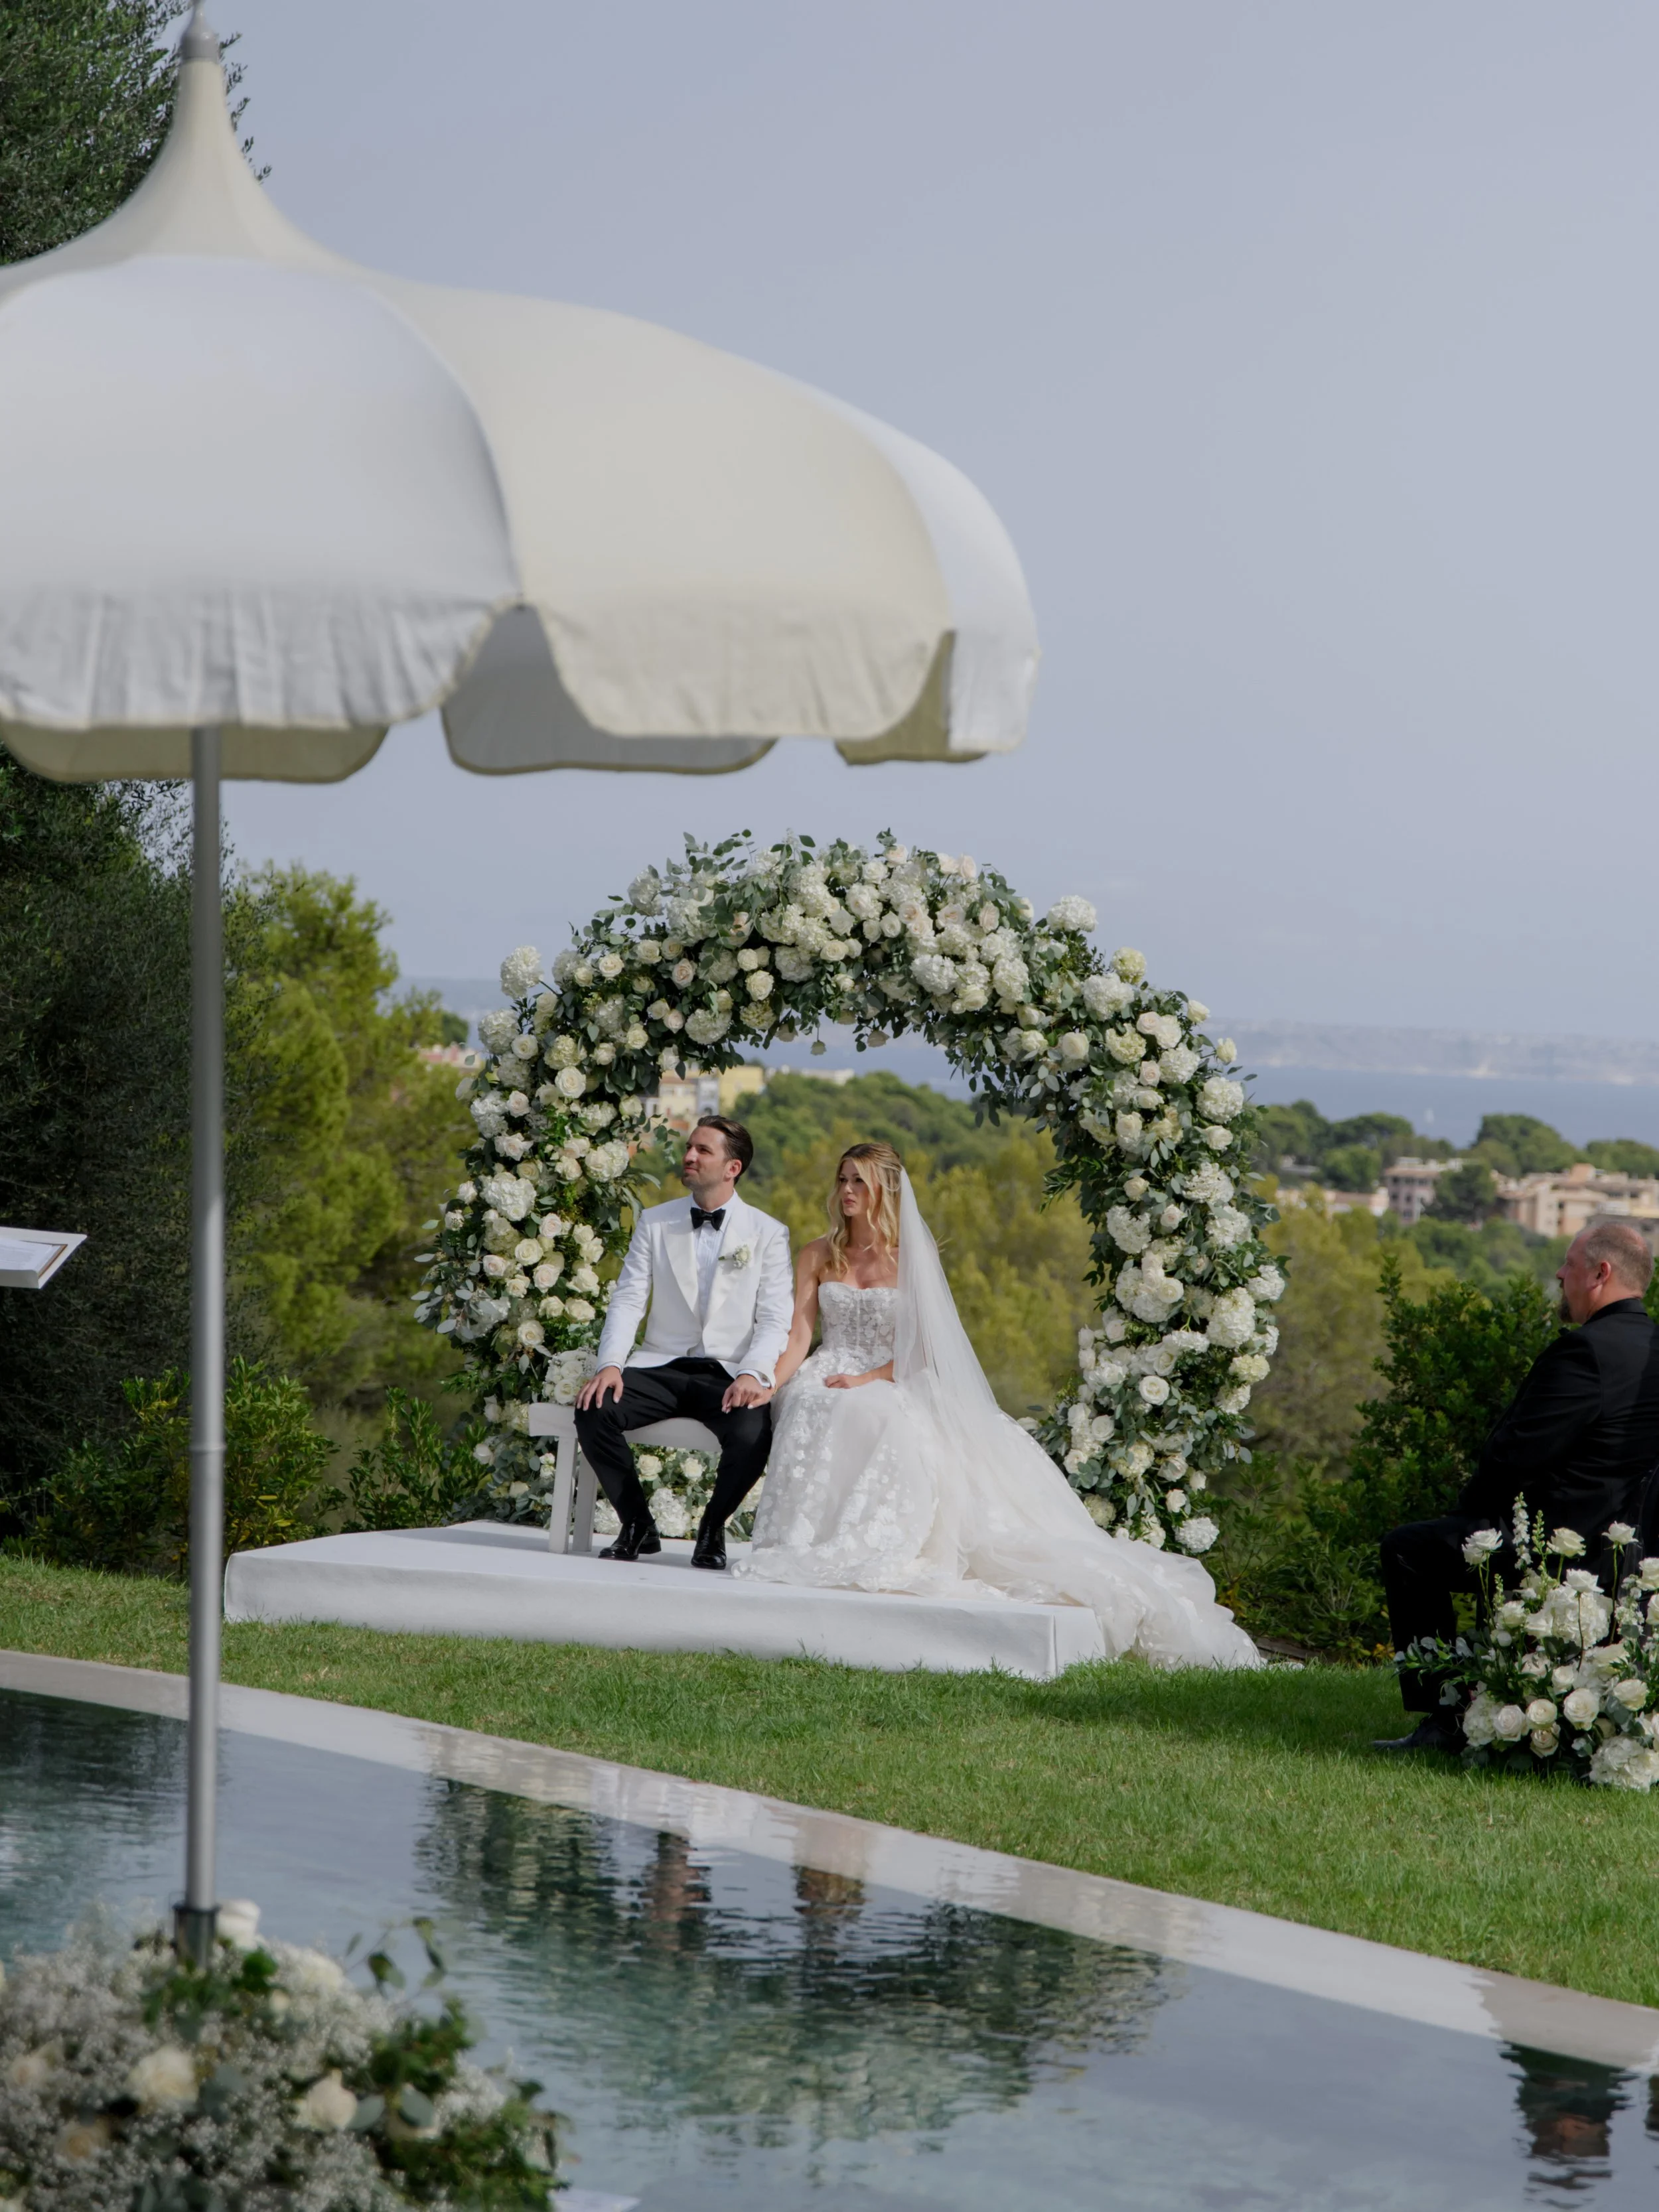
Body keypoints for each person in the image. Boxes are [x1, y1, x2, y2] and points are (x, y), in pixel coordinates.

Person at [734, 1141, 1261, 1669]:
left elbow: (921, 1347)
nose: (846, 1192)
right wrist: (771, 1382)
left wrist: (868, 1378)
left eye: (859, 1182)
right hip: (831, 1365)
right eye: (842, 1180)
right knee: (811, 1399)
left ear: (886, 1191)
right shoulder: (817, 1253)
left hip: (892, 1372)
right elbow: (801, 1333)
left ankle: (872, 1540)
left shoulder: (913, 1256)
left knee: (874, 1410)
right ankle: (808, 1537)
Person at [1376, 1217, 1659, 1752]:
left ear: (1600, 1273)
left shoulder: (1585, 1352)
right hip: (1632, 1559)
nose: (1558, 1273)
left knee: (1409, 1550)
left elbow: (1512, 1457)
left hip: (1558, 1551)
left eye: (1568, 1266)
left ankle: (1445, 1721)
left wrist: (1469, 1516)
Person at [575, 1117, 792, 1568]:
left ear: (733, 1167)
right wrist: (611, 1364)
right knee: (594, 1408)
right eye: (689, 1148)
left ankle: (713, 1528)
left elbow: (775, 1318)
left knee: (754, 1433)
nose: (689, 1157)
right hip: (660, 1365)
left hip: (728, 1373)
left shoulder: (768, 1233)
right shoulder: (655, 1222)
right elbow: (629, 1299)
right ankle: (636, 1524)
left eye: (703, 1151)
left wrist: (754, 1372)